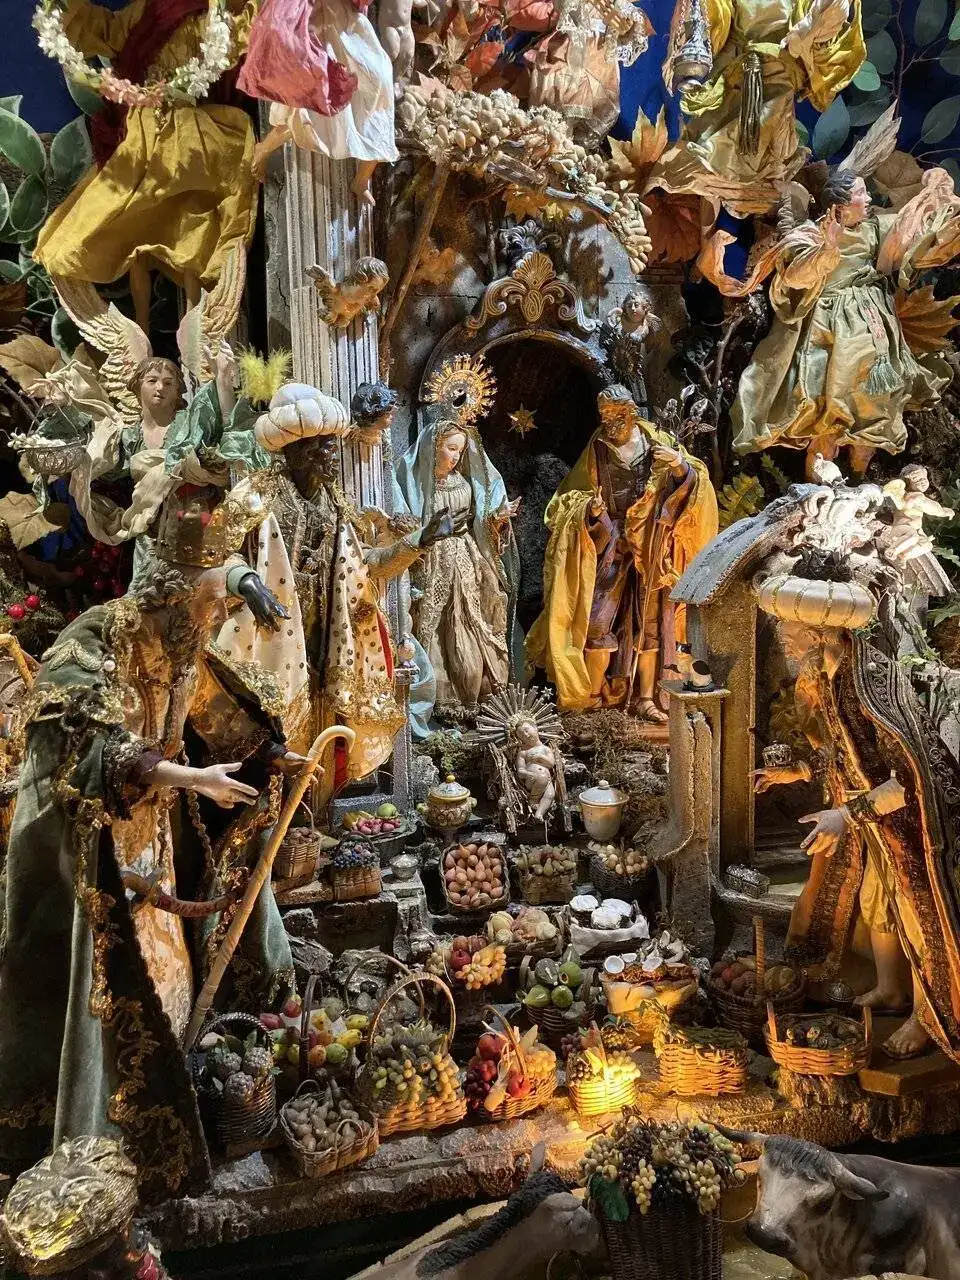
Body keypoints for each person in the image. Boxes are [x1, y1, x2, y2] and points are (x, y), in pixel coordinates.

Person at [0, 483, 301, 1198]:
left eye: (220, 607)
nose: (215, 620)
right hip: (97, 847)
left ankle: (180, 1081)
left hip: (157, 838)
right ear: (171, 591)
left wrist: (267, 755)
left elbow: (215, 712)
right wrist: (185, 777)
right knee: (118, 981)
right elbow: (76, 739)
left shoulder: (183, 641)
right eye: (209, 604)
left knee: (171, 970)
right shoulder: (101, 636)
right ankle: (111, 1132)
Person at [250, 383, 451, 777]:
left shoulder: (335, 505)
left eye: (332, 446)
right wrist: (245, 580)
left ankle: (316, 806)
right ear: (299, 451)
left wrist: (419, 540)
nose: (332, 456)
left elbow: (366, 566)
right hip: (271, 637)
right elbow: (215, 555)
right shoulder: (258, 497)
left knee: (325, 736)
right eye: (325, 447)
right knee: (275, 732)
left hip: (328, 636)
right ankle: (277, 807)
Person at [34, 0, 258, 334]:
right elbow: (104, 31)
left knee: (191, 219)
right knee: (130, 222)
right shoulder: (144, 14)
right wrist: (67, 7)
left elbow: (233, 38)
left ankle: (194, 326)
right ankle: (142, 328)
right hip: (142, 133)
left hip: (186, 129)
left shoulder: (206, 15)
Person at [732, 169, 960, 478]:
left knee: (871, 415)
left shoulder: (873, 229)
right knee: (826, 416)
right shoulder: (811, 233)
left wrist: (934, 202)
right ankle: (818, 485)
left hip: (874, 327)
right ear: (840, 205)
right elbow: (795, 276)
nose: (868, 198)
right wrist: (828, 248)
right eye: (861, 193)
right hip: (830, 328)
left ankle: (859, 481)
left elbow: (909, 232)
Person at [527, 384, 717, 719]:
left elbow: (693, 483)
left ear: (629, 412)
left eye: (613, 414)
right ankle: (591, 696)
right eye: (603, 414)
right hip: (611, 545)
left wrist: (679, 467)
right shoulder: (598, 448)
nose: (607, 421)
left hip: (650, 545)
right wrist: (591, 511)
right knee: (597, 621)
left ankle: (646, 697)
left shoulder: (657, 441)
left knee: (650, 622)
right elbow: (570, 497)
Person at [394, 362, 522, 733]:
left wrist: (498, 519)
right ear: (434, 447)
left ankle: (473, 696)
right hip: (432, 557)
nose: (455, 457)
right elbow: (404, 520)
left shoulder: (463, 479)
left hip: (466, 556)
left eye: (460, 451)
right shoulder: (414, 478)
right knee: (434, 625)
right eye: (450, 449)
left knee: (470, 619)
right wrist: (421, 535)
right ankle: (440, 700)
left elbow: (480, 516)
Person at [657, 0, 864, 217]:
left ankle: (744, 183)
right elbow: (724, 18)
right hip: (738, 68)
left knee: (764, 129)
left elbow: (821, 24)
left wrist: (801, 38)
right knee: (715, 137)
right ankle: (721, 179)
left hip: (779, 67)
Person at [245, 0, 398, 204]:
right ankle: (263, 149)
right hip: (313, 20)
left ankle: (361, 180)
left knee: (381, 82)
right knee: (306, 103)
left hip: (348, 21)